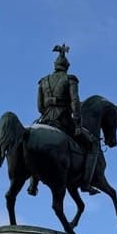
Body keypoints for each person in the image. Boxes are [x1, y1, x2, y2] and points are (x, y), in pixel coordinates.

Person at [35, 43, 98, 194]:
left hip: (45, 119)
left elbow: (39, 106)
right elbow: (75, 102)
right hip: (63, 120)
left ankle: (33, 183)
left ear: (55, 65)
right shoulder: (71, 79)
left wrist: (47, 112)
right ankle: (85, 184)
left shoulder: (43, 81)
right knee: (92, 145)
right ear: (66, 67)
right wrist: (77, 123)